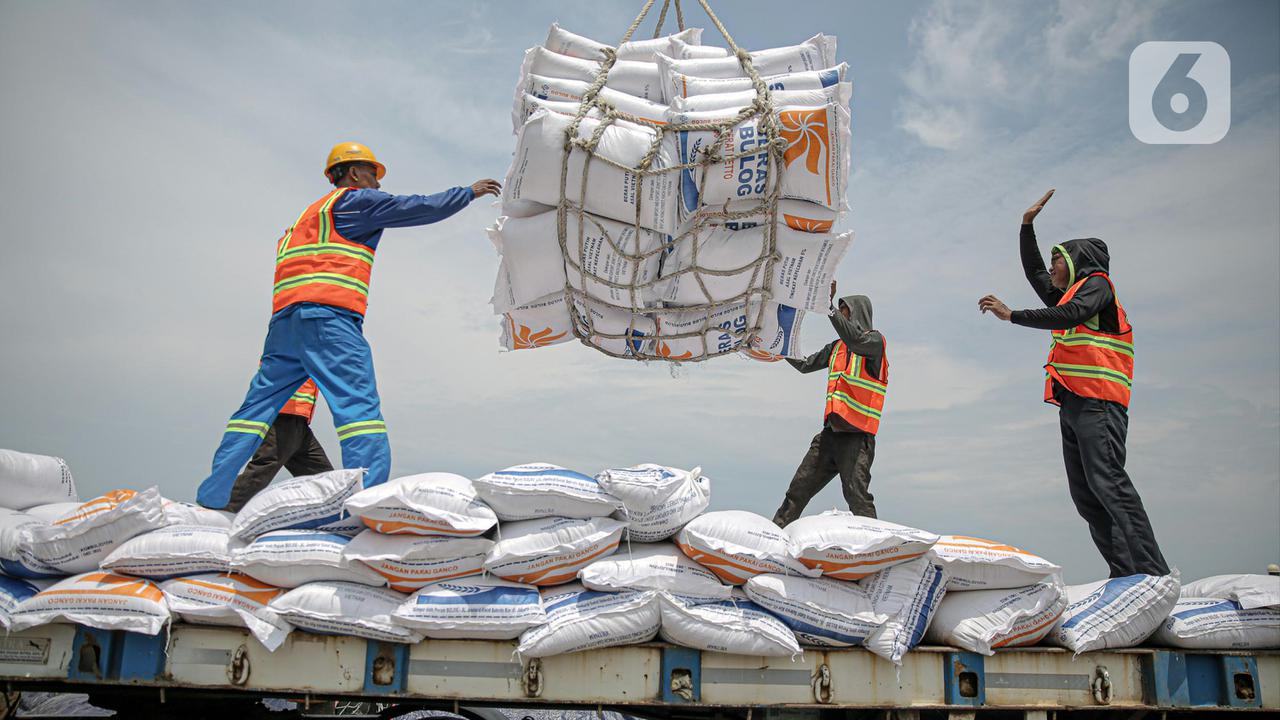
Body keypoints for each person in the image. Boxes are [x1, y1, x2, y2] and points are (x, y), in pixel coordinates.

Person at [196, 142, 501, 510]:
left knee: (252, 413)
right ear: (355, 173)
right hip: (329, 321)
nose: (377, 182)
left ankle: (211, 497)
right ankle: (367, 504)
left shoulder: (306, 219)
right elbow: (416, 207)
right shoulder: (355, 201)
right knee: (358, 410)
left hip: (284, 325)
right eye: (373, 173)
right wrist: (467, 193)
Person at [978, 189, 1170, 578]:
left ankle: (1154, 574)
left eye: (1057, 260)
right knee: (1086, 494)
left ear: (1075, 262)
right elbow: (1036, 276)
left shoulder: (1097, 285)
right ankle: (1125, 573)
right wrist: (1026, 227)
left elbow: (1069, 314)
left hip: (1099, 402)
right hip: (1074, 403)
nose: (1050, 268)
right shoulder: (1068, 291)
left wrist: (1011, 315)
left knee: (1110, 483)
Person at [772, 281, 887, 526]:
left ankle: (876, 549)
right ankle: (774, 535)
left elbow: (855, 338)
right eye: (841, 312)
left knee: (857, 497)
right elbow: (805, 365)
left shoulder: (874, 343)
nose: (842, 317)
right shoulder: (837, 348)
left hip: (856, 438)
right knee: (798, 490)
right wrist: (779, 347)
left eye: (845, 311)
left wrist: (829, 307)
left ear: (857, 313)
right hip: (829, 436)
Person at [223, 378, 333, 513]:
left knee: (324, 478)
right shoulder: (300, 356)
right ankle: (225, 508)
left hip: (299, 420)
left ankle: (341, 512)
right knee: (264, 467)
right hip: (284, 416)